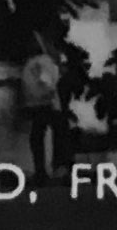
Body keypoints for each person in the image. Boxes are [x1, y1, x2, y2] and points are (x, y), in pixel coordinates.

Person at [19, 28, 71, 183]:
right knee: (57, 134)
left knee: (38, 136)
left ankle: (42, 171)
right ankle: (58, 169)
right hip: (48, 103)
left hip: (39, 103)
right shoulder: (43, 61)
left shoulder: (33, 63)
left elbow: (41, 82)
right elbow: (49, 81)